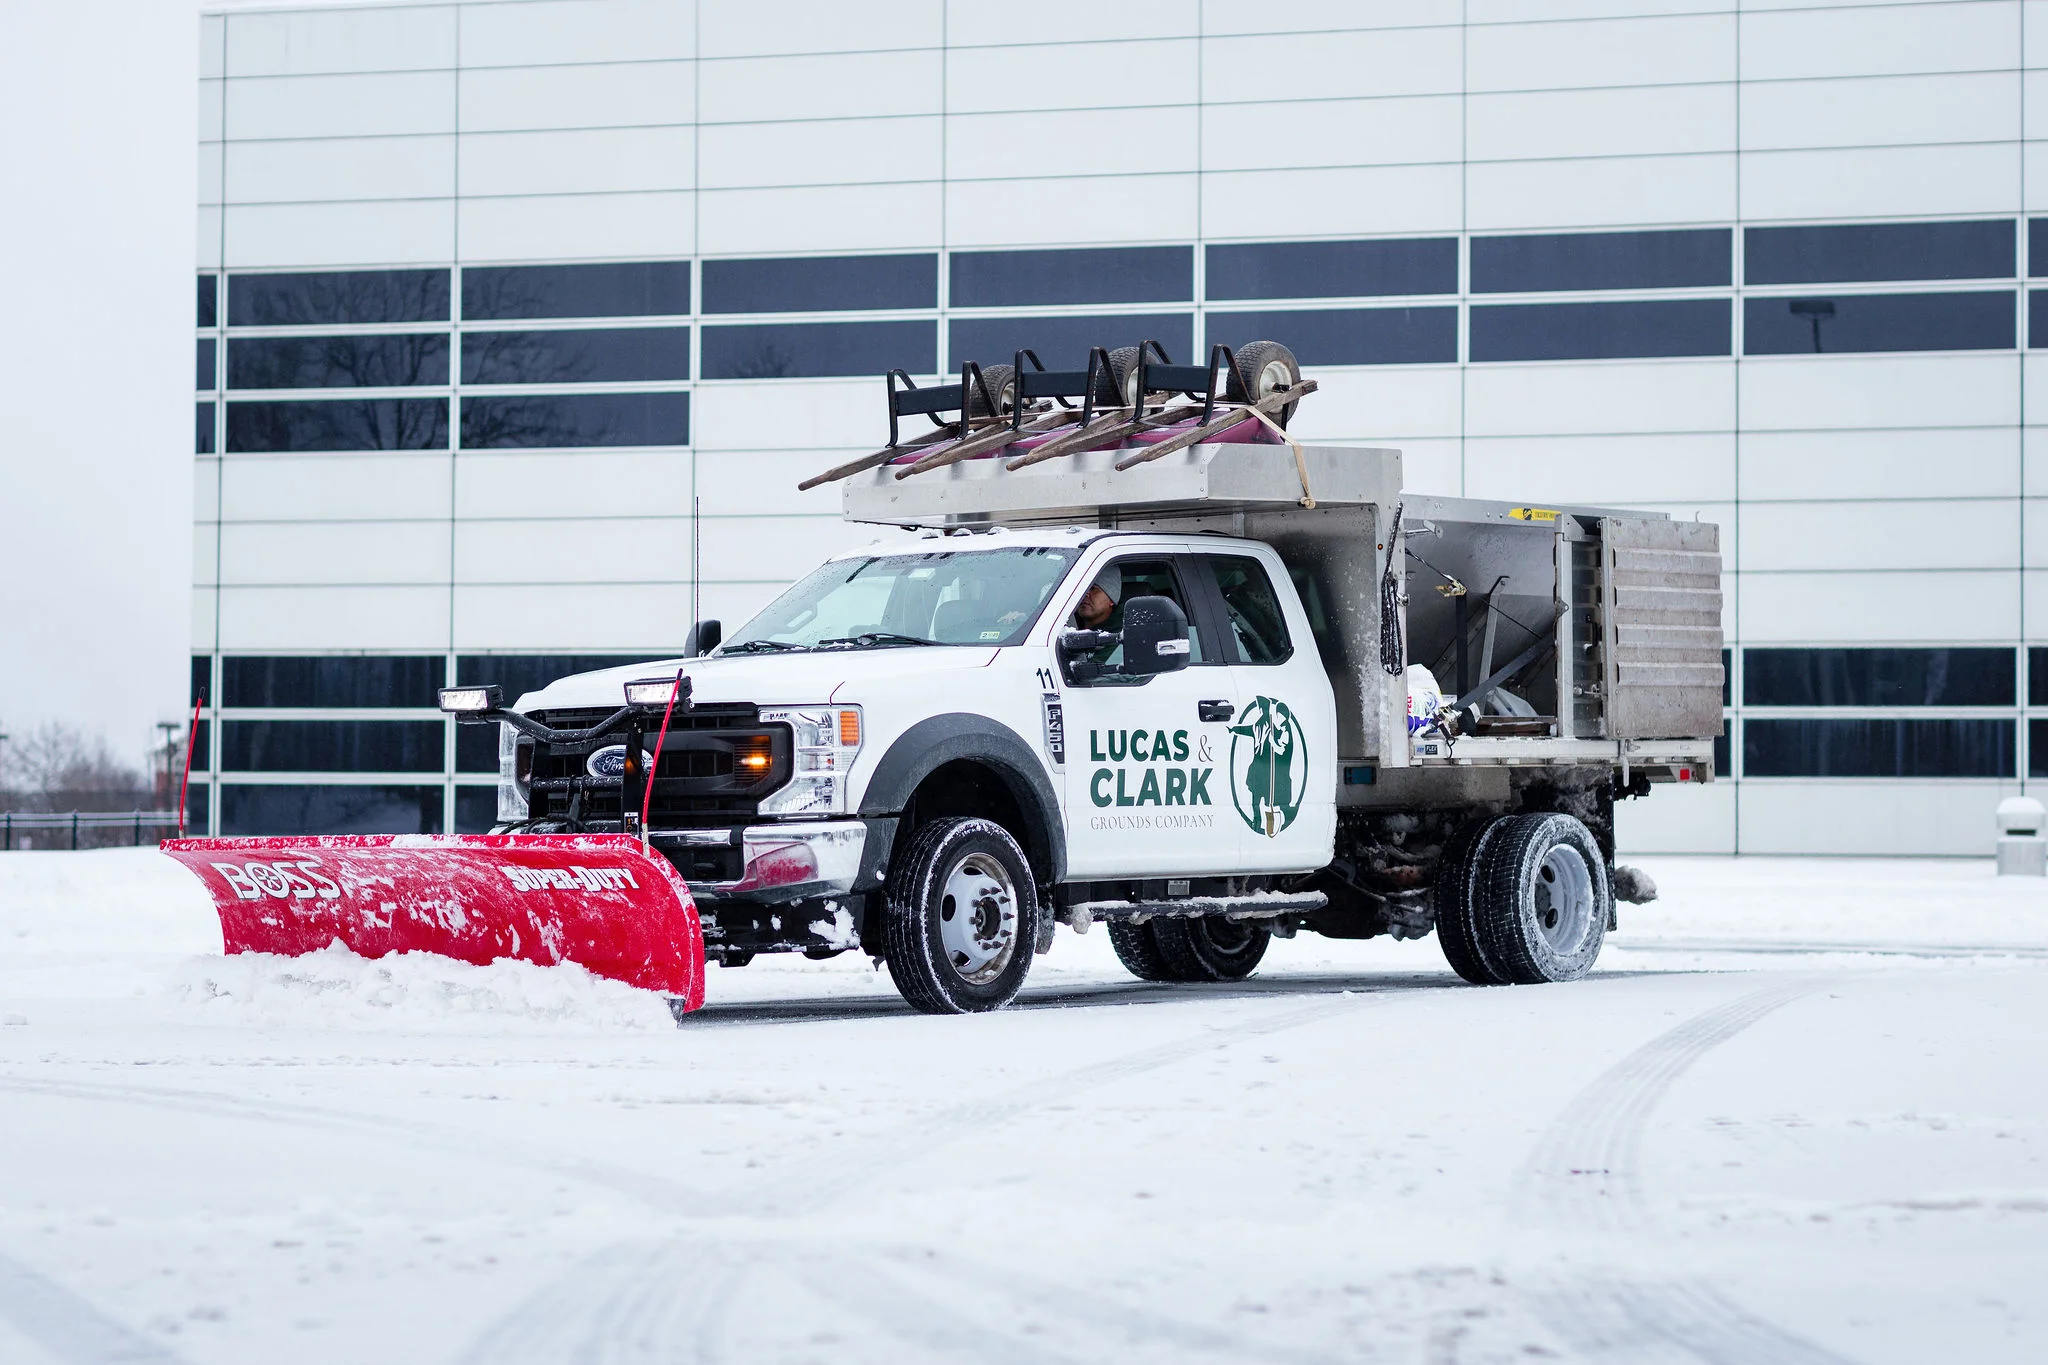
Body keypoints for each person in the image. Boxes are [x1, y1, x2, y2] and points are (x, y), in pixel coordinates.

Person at [1073, 563, 1121, 630]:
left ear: (1111, 600)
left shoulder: (1121, 636)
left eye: (1093, 589)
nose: (1085, 594)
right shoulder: (1060, 626)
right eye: (1082, 589)